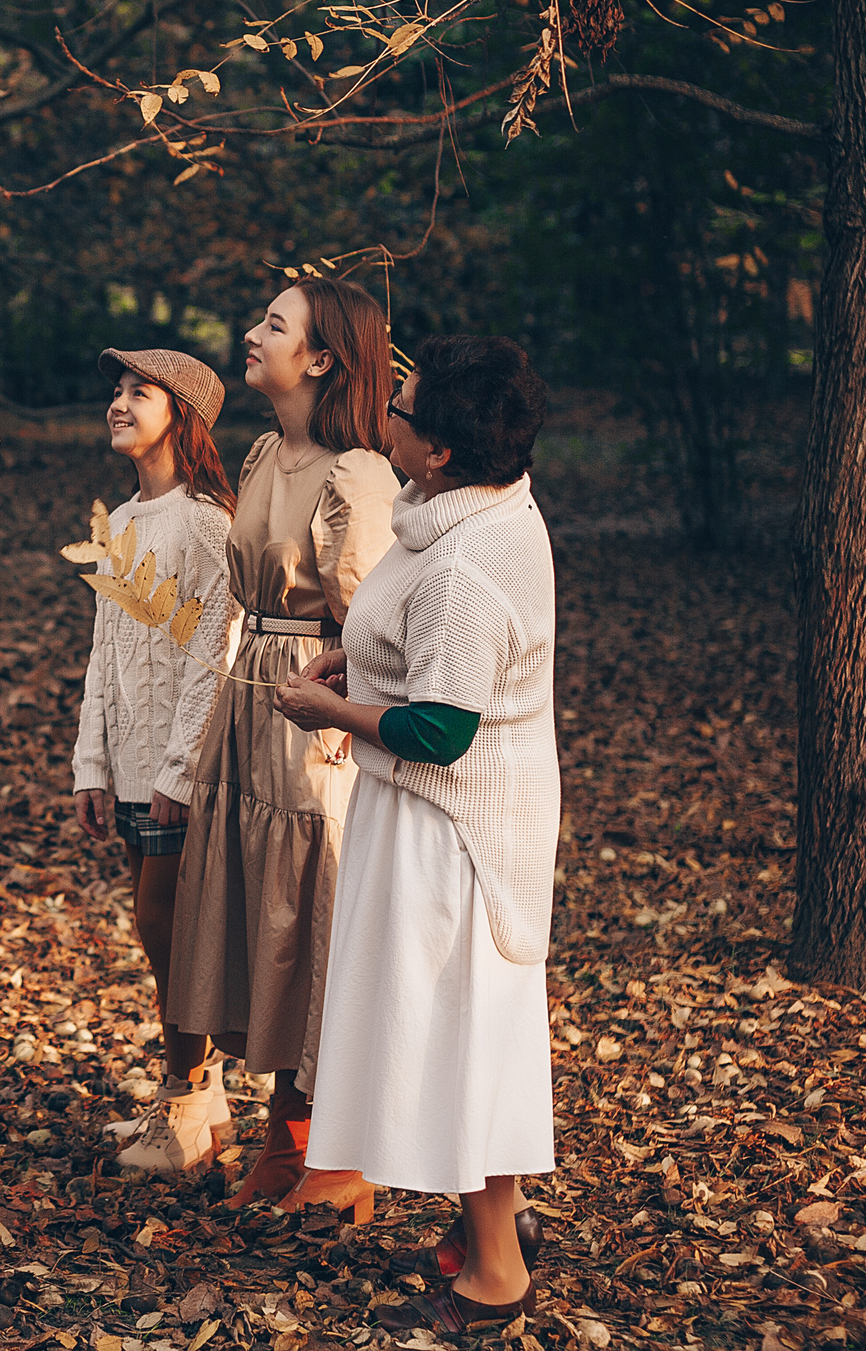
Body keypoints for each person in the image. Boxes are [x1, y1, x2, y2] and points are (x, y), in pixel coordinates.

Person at [273, 335, 558, 1333]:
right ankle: (496, 1228)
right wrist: (361, 673)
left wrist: (327, 714)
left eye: (400, 405)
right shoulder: (455, 508)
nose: (383, 409)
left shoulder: (467, 568)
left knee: (456, 1041)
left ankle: (494, 1280)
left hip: (454, 833)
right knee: (462, 1034)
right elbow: (427, 668)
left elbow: (440, 730)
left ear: (437, 450)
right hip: (430, 814)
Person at [155, 277, 400, 1221]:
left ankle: (342, 1149)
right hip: (251, 696)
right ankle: (284, 1135)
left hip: (318, 709)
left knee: (316, 915)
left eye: (274, 324)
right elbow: (234, 597)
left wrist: (347, 725)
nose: (251, 334)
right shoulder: (263, 452)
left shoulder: (359, 474)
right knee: (265, 920)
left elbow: (375, 626)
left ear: (324, 357)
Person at [61, 349, 241, 1174]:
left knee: (167, 930)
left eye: (141, 392)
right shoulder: (124, 521)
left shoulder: (208, 521)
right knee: (156, 933)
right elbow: (106, 647)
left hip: (179, 771)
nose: (119, 403)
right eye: (117, 390)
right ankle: (193, 1102)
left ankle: (190, 1098)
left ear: (185, 415)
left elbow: (219, 647)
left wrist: (181, 770)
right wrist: (89, 763)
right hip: (128, 761)